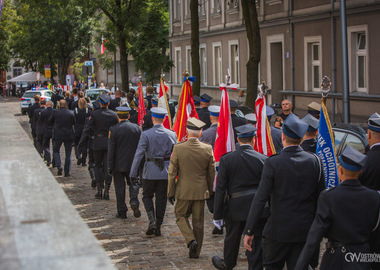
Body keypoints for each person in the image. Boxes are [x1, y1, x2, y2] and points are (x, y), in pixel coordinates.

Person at [243, 113, 325, 270]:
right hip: (304, 231)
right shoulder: (315, 161)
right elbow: (320, 197)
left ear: (282, 136)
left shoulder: (273, 162)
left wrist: (249, 230)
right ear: (301, 138)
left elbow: (261, 198)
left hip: (277, 231)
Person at [295, 146, 380, 270]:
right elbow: (376, 237)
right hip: (362, 257)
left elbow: (314, 237)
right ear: (361, 172)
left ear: (340, 171)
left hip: (336, 258)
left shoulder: (330, 196)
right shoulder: (373, 197)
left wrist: (300, 266)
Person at [212, 124, 267, 270]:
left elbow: (221, 188)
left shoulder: (227, 159)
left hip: (235, 206)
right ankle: (255, 265)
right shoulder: (263, 159)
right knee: (255, 240)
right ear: (254, 139)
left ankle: (228, 263)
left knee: (232, 238)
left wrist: (217, 214)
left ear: (238, 139)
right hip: (257, 206)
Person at [168, 117, 216, 259]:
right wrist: (210, 189)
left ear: (187, 132)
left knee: (180, 215)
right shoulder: (207, 149)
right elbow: (211, 172)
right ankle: (196, 252)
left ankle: (190, 239)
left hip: (183, 189)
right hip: (201, 190)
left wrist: (170, 191)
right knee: (198, 222)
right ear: (200, 133)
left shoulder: (178, 148)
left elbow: (172, 172)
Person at [129, 107, 177, 236]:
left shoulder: (146, 134)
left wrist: (133, 172)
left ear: (152, 119)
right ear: (164, 119)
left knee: (147, 196)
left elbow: (139, 154)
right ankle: (158, 227)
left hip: (149, 171)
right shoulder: (172, 134)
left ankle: (152, 221)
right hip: (165, 171)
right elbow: (177, 155)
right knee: (161, 199)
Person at [108, 106, 142, 219]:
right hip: (133, 163)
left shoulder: (114, 129)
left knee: (119, 188)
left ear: (118, 117)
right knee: (134, 183)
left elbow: (111, 149)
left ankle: (122, 211)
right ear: (128, 116)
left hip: (118, 164)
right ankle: (134, 200)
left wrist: (110, 165)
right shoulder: (137, 128)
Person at [83, 94, 119, 199]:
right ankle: (107, 190)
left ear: (100, 103)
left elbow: (88, 128)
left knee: (97, 166)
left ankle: (99, 189)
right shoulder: (113, 115)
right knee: (108, 166)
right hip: (109, 143)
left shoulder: (95, 114)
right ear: (108, 103)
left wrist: (82, 142)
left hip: (97, 142)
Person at [49, 100, 75, 177]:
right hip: (68, 134)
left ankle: (59, 165)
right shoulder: (71, 112)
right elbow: (74, 122)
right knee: (68, 154)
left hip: (58, 134)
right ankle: (67, 172)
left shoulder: (55, 112)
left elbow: (50, 121)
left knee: (56, 151)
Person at [73, 98, 91, 166]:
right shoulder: (87, 111)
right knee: (85, 145)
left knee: (76, 143)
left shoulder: (76, 110)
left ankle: (78, 155)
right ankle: (84, 161)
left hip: (77, 129)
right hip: (85, 130)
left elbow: (73, 119)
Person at [40, 101, 54, 167]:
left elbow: (40, 121)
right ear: (52, 105)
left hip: (46, 130)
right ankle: (55, 161)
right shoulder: (55, 112)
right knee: (55, 147)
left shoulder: (43, 112)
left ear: (46, 105)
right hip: (53, 130)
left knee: (46, 146)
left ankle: (48, 160)